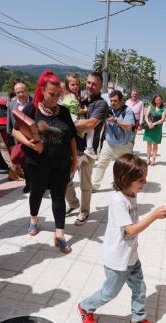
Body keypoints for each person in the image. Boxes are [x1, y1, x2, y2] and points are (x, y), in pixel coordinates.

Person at [77, 153, 166, 323]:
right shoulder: (118, 200)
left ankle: (138, 319)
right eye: (141, 180)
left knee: (140, 288)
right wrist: (153, 216)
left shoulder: (131, 193)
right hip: (117, 260)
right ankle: (86, 307)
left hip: (131, 256)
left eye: (145, 179)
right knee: (109, 293)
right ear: (125, 179)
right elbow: (130, 230)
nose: (145, 183)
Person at [12, 71, 78, 254]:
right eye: (51, 94)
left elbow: (71, 136)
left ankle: (60, 235)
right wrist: (30, 144)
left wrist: (75, 160)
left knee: (59, 196)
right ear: (42, 90)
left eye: (58, 94)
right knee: (37, 192)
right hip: (37, 163)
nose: (56, 98)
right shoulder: (31, 109)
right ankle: (33, 219)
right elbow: (15, 131)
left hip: (61, 162)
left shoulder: (63, 111)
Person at [65, 72, 108, 225]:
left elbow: (90, 124)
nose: (90, 86)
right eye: (88, 83)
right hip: (72, 148)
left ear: (101, 86)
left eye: (94, 84)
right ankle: (73, 203)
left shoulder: (101, 105)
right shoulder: (80, 101)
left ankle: (84, 211)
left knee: (85, 184)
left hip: (88, 152)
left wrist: (65, 125)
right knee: (64, 180)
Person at [91, 90, 135, 191]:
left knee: (125, 167)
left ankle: (123, 185)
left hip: (124, 146)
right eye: (111, 100)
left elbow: (129, 126)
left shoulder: (127, 111)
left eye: (115, 101)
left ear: (121, 101)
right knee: (101, 164)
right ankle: (95, 186)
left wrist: (115, 121)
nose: (112, 103)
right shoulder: (107, 110)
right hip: (109, 145)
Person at [63, 74, 96, 160]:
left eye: (77, 84)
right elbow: (76, 110)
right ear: (68, 85)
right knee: (91, 128)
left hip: (73, 122)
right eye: (73, 85)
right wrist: (85, 110)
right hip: (75, 121)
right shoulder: (71, 97)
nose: (75, 87)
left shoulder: (72, 96)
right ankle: (89, 148)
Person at [7, 79, 30, 190]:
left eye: (23, 91)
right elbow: (9, 125)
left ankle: (39, 183)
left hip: (33, 138)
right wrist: (11, 142)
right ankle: (28, 184)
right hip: (19, 140)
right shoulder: (11, 105)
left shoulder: (35, 103)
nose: (21, 94)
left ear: (27, 91)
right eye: (18, 92)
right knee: (24, 163)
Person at [143, 94, 166, 166]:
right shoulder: (150, 107)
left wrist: (154, 124)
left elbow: (163, 119)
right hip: (149, 127)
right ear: (154, 100)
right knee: (148, 144)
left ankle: (153, 159)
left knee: (155, 144)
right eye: (157, 100)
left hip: (157, 128)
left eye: (160, 99)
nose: (158, 101)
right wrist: (148, 123)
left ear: (161, 100)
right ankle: (147, 159)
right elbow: (146, 116)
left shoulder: (164, 109)